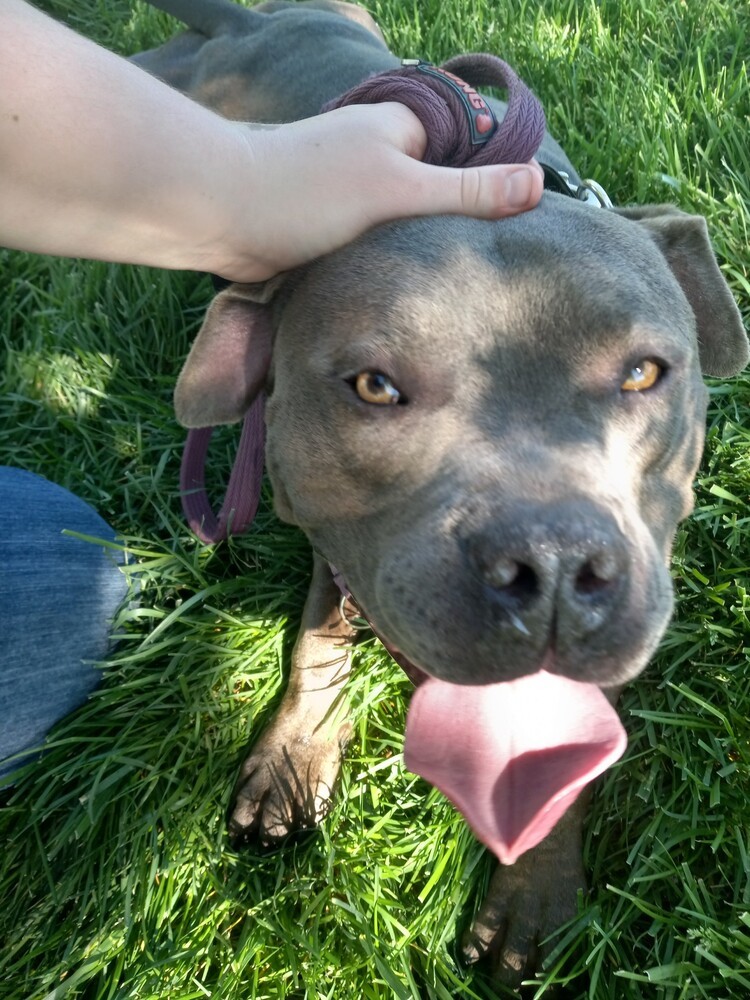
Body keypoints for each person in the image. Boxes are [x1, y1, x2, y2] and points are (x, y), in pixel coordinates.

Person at [0, 0, 543, 780]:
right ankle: (325, 18)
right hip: (264, 70)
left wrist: (248, 183)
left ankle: (337, 17)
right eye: (379, 386)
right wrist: (240, 180)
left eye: (639, 377)